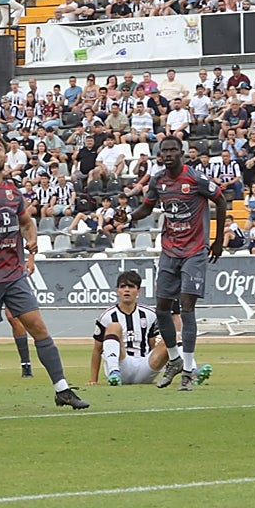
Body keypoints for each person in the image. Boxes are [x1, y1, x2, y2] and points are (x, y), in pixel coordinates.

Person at [0, 135, 89, 412]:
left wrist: (32, 248)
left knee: (38, 327)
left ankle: (62, 389)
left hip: (13, 274)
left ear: (5, 157)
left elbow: (26, 223)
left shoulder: (13, 193)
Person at [126, 138, 227, 391]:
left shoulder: (195, 179)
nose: (168, 154)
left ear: (181, 153)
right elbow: (146, 209)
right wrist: (127, 216)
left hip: (195, 250)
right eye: (164, 151)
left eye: (173, 150)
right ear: (160, 155)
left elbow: (221, 200)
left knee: (186, 306)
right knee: (162, 309)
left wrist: (217, 240)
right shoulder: (158, 180)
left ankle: (189, 370)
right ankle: (174, 359)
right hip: (170, 250)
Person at [88, 270, 211, 386]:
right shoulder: (107, 316)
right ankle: (114, 373)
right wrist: (93, 380)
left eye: (131, 287)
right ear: (117, 291)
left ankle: (191, 371)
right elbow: (97, 349)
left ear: (138, 291)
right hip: (121, 365)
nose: (126, 290)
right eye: (122, 287)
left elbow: (153, 345)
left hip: (144, 367)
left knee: (174, 336)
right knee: (114, 326)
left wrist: (158, 365)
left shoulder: (150, 314)